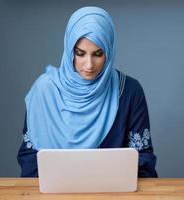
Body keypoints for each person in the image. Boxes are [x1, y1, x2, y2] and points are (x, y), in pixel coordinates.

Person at [17, 6, 158, 178]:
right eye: (80, 53)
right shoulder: (45, 91)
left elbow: (144, 158)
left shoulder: (129, 90)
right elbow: (30, 156)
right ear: (69, 50)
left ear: (109, 52)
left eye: (98, 54)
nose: (89, 65)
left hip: (113, 194)